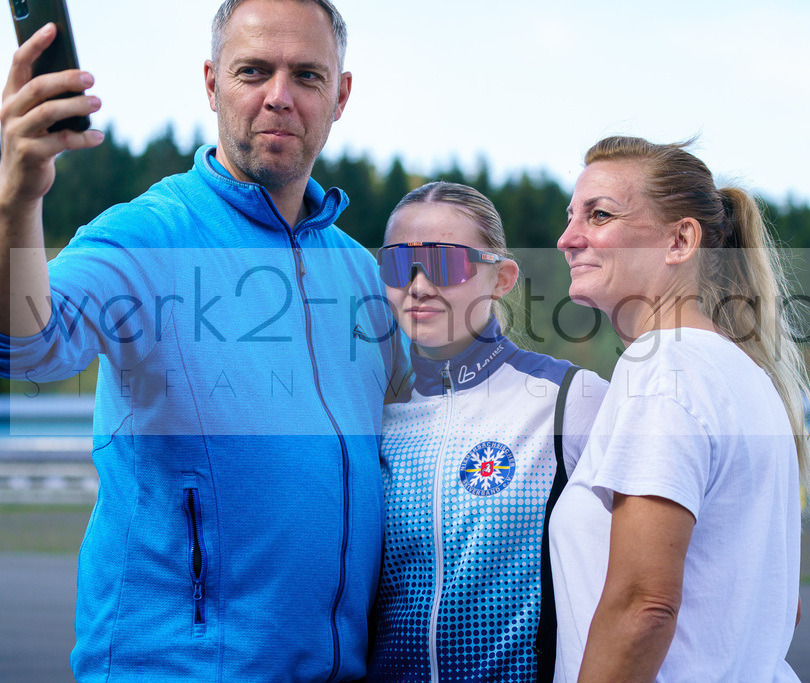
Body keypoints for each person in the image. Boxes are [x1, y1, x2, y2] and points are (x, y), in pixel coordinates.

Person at [0, 0, 406, 680]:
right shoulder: (143, 236)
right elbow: (26, 345)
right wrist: (16, 203)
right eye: (254, 71)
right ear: (212, 82)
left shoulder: (361, 273)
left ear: (341, 96)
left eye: (306, 76)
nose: (279, 97)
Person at [548, 135, 810, 681]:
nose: (567, 239)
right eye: (571, 215)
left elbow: (643, 607)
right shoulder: (744, 375)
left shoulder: (664, 372)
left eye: (599, 215)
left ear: (680, 240)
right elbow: (780, 607)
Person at [366, 181, 608, 682]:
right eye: (396, 263)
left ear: (501, 278)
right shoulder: (375, 415)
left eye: (445, 263)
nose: (418, 285)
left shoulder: (571, 399)